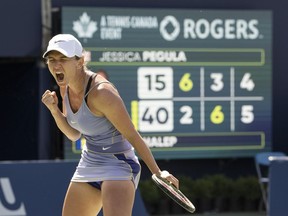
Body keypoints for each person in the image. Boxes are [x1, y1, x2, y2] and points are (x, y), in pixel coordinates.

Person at [41, 34, 179, 216]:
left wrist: (157, 172)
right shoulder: (64, 86)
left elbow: (132, 135)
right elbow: (74, 134)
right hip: (90, 160)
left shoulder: (102, 93)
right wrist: (54, 110)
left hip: (119, 164)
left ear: (80, 61)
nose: (56, 65)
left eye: (63, 59)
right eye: (51, 60)